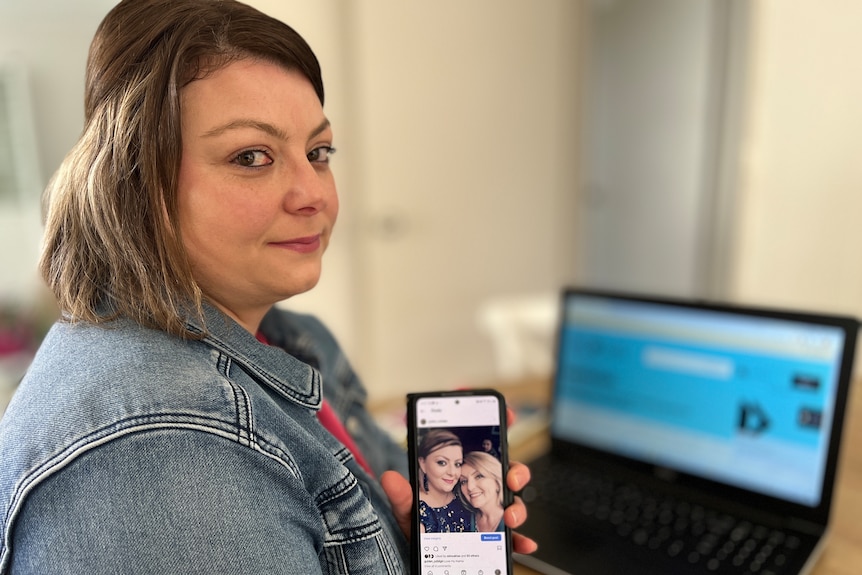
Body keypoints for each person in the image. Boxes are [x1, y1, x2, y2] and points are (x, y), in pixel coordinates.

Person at [0, 1, 536, 573]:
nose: (314, 195)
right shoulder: (166, 459)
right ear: (137, 185)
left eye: (318, 152)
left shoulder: (291, 338)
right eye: (252, 157)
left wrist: (413, 537)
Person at [415, 429, 473, 533]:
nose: (452, 472)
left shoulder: (467, 496)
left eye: (457, 464)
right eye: (442, 462)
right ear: (423, 463)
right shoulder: (417, 510)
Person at [459, 451, 506, 532]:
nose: (470, 487)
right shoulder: (464, 520)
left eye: (479, 476)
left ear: (497, 482)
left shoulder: (512, 520)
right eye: (464, 481)